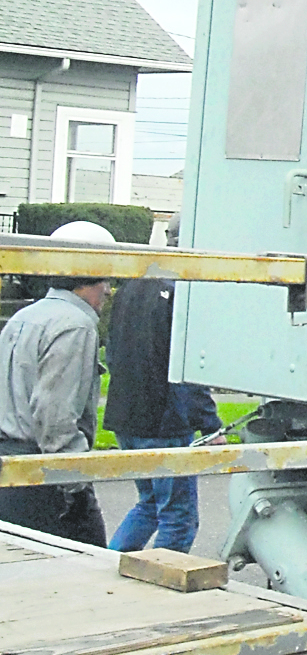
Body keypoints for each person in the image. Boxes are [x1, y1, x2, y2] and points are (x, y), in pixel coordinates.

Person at [107, 218, 223, 555]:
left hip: (126, 414)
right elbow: (188, 367)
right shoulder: (185, 289)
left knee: (149, 504)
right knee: (178, 517)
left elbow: (114, 353)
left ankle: (110, 566)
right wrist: (210, 424)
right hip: (164, 419)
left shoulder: (134, 283)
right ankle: (159, 588)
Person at [0, 218, 115, 547]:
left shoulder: (26, 316)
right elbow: (54, 414)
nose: (108, 289)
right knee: (86, 575)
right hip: (45, 475)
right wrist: (75, 486)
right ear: (88, 276)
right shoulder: (76, 325)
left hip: (10, 467)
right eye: (104, 278)